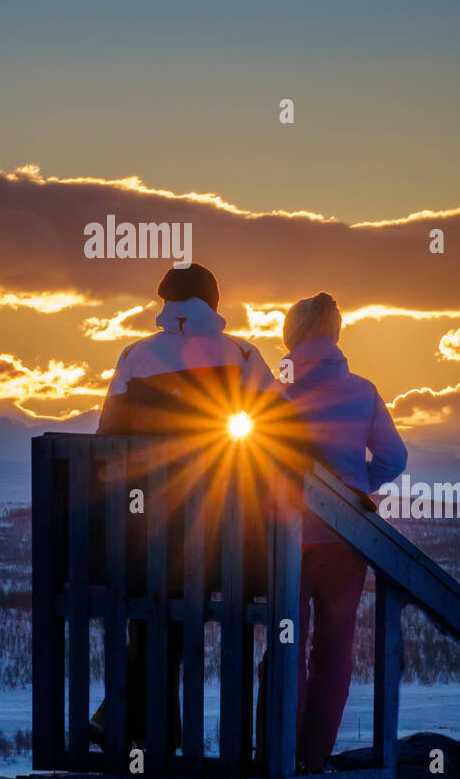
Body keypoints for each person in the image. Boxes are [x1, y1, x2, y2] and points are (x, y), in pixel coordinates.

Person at [92, 262, 311, 751]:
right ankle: (219, 743)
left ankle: (148, 733)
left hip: (147, 534)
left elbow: (107, 439)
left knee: (153, 618)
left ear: (165, 304)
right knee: (203, 617)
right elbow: (282, 427)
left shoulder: (135, 356)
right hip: (224, 539)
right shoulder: (241, 355)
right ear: (213, 302)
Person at [279, 291, 407, 772]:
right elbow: (394, 459)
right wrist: (354, 485)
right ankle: (315, 759)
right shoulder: (363, 390)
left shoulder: (276, 391)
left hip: (284, 536)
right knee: (334, 649)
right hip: (346, 539)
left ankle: (279, 751)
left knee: (285, 641)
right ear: (335, 334)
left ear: (291, 334)